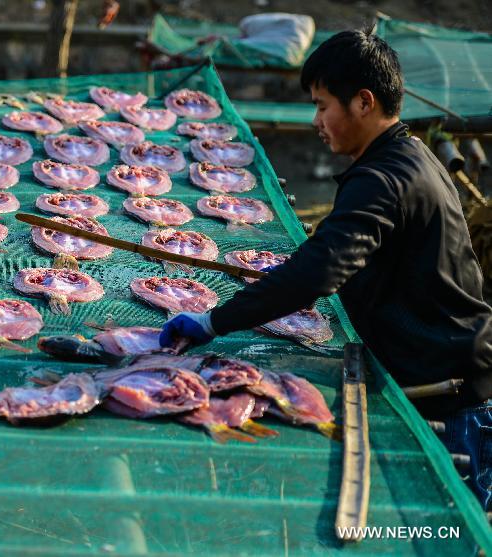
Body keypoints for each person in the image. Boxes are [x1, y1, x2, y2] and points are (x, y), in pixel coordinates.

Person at [159, 29, 492, 507]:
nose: (316, 120)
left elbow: (321, 271)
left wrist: (215, 320)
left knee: (447, 532)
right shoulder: (409, 154)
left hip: (453, 398)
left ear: (363, 102)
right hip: (454, 373)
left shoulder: (382, 177)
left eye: (322, 106)